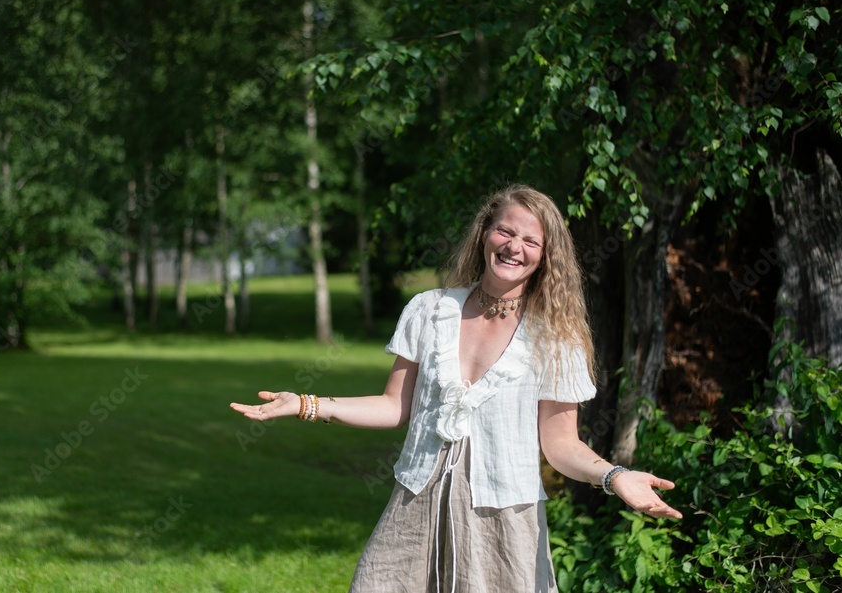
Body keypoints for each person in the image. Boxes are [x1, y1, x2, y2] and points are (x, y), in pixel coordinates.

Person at [230, 184, 682, 592]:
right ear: (485, 233)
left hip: (504, 517)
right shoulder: (429, 310)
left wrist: (614, 476)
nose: (514, 247)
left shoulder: (555, 339)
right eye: (506, 231)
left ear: (546, 256)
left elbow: (561, 445)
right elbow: (394, 405)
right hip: (414, 506)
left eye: (531, 241)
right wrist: (305, 403)